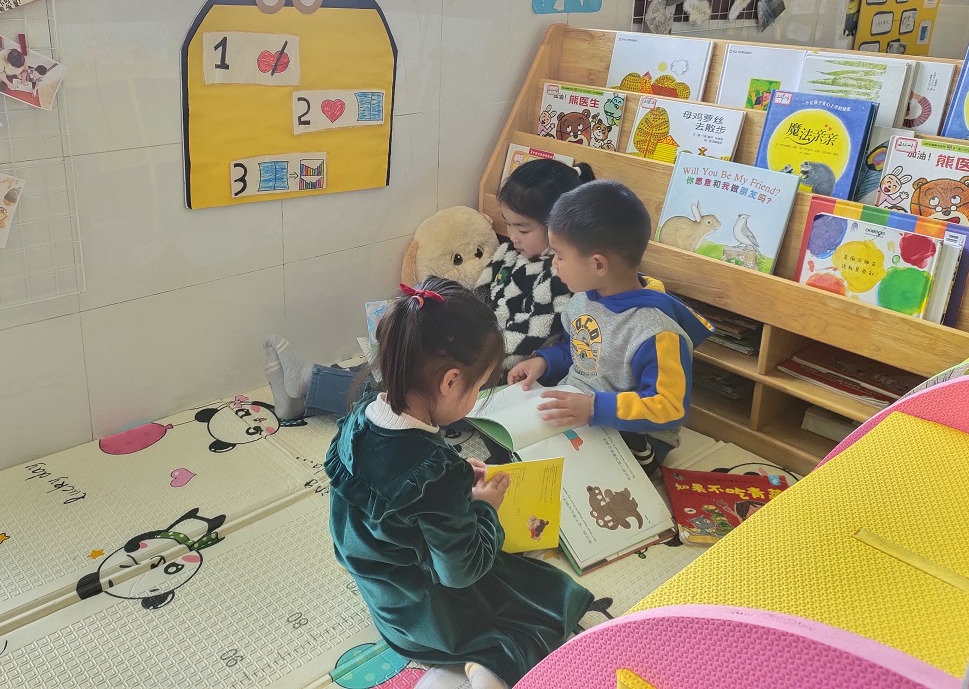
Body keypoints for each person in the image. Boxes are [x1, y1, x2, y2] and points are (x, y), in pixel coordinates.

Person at [325, 278, 593, 689]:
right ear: (450, 381)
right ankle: (483, 669)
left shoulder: (361, 417)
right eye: (479, 387)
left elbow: (386, 489)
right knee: (543, 602)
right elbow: (461, 571)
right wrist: (484, 507)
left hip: (379, 592)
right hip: (422, 615)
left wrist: (452, 473)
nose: (476, 399)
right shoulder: (437, 476)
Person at [263, 159, 596, 421]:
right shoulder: (512, 252)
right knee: (399, 362)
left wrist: (466, 352)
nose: (512, 235)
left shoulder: (563, 275)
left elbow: (527, 341)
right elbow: (478, 298)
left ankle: (310, 383)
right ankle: (302, 397)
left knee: (411, 393)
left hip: (492, 373)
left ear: (559, 227)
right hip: (473, 351)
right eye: (508, 224)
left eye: (522, 228)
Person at [509, 180, 713, 475]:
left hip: (636, 432)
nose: (554, 264)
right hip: (579, 407)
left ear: (598, 265)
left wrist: (595, 408)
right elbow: (579, 349)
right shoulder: (585, 297)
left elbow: (669, 406)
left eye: (561, 256)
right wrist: (544, 362)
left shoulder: (656, 332)